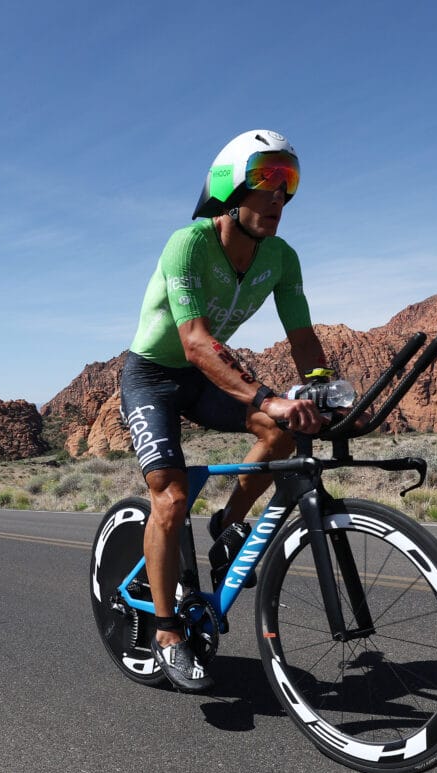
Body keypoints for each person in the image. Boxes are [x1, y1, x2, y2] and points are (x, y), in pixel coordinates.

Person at [120, 129, 328, 693]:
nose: (279, 195)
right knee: (170, 496)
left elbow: (303, 339)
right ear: (229, 187)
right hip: (153, 375)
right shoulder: (188, 244)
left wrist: (319, 389)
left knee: (281, 433)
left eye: (289, 182)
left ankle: (227, 522)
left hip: (204, 376)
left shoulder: (281, 258)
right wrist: (266, 396)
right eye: (266, 178)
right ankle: (167, 633)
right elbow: (194, 341)